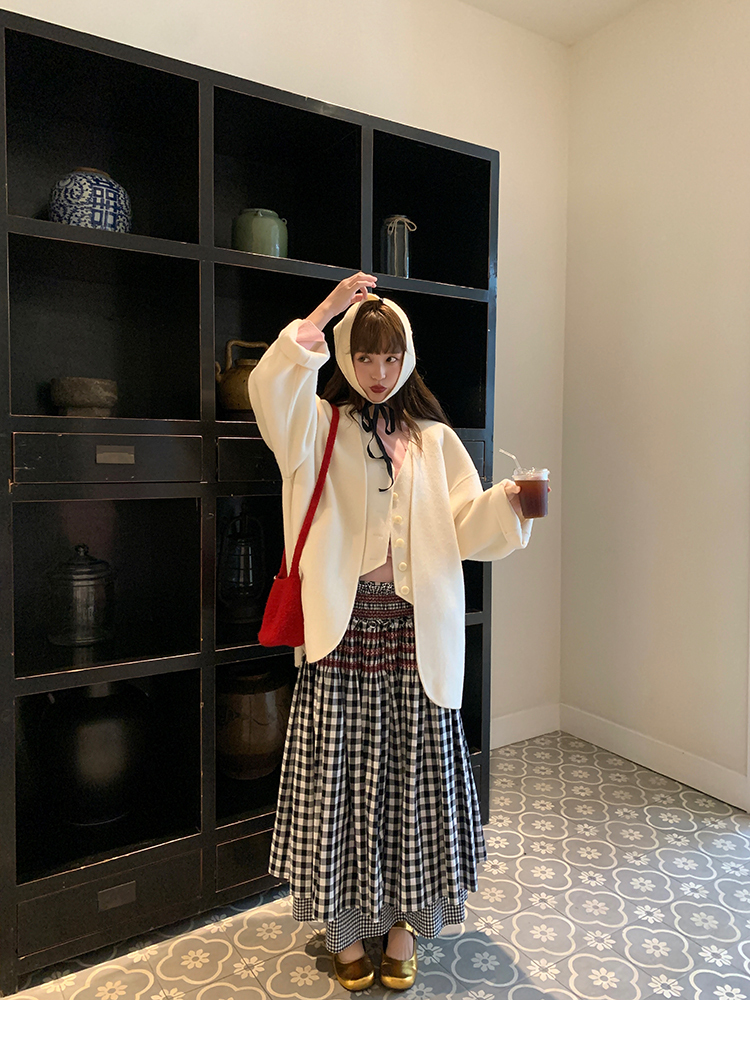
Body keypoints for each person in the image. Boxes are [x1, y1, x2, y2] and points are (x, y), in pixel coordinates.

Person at [247, 271, 533, 992]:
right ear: (346, 358)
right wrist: (326, 312)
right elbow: (270, 390)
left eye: (391, 356)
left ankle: (405, 926)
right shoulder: (316, 426)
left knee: (416, 785)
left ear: (408, 359)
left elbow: (465, 525)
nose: (379, 372)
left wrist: (509, 503)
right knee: (339, 785)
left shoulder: (434, 442)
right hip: (341, 635)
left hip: (417, 636)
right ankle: (346, 929)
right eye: (365, 356)